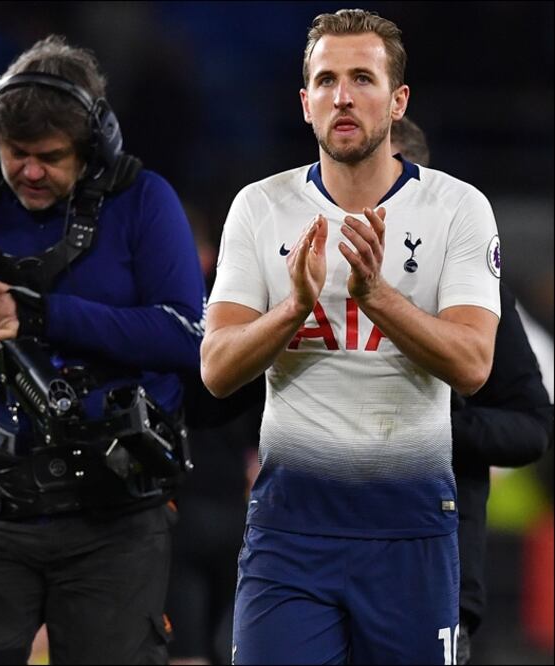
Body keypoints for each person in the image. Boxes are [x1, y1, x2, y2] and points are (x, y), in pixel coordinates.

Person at [0, 34, 205, 664]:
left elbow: (186, 337)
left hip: (115, 518)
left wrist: (44, 316)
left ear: (94, 147)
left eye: (50, 156)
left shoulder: (142, 200)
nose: (28, 171)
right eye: (14, 152)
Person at [202, 9, 502, 664]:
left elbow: (473, 364)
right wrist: (293, 308)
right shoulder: (259, 207)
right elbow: (217, 368)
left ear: (396, 101)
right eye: (326, 80)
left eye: (362, 78)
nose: (342, 96)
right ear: (304, 102)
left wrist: (376, 298)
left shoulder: (457, 208)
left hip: (410, 531)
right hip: (290, 531)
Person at [391, 116, 555, 664]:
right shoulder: (305, 280)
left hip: (436, 570)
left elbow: (532, 423)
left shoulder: (471, 291)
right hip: (307, 565)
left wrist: (433, 429)